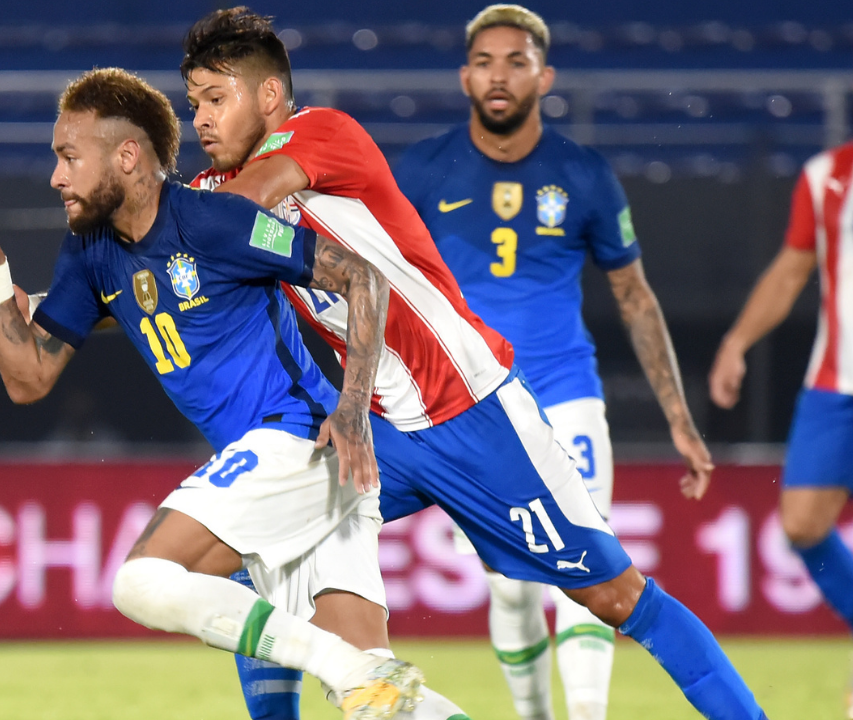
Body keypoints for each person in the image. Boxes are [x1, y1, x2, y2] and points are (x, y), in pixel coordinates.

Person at [177, 7, 765, 720]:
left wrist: (157, 220)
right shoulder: (214, 193)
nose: (200, 120)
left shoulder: (320, 132)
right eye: (193, 105)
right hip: (383, 431)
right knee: (249, 550)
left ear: (269, 97)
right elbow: (163, 275)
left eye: (216, 99)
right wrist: (54, 303)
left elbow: (228, 218)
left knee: (614, 598)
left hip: (476, 413)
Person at [0, 66, 434, 720]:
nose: (56, 176)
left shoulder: (214, 222)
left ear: (128, 156)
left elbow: (360, 276)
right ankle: (358, 673)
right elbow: (29, 379)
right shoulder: (90, 255)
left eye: (69, 157)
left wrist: (354, 406)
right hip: (278, 475)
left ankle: (342, 666)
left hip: (298, 442)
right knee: (378, 699)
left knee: (142, 581)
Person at [391, 6, 714, 720]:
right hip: (470, 405)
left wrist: (680, 420)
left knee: (589, 562)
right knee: (510, 585)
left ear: (546, 75)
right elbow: (379, 281)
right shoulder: (421, 168)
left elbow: (633, 296)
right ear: (464, 75)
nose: (498, 75)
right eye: (485, 61)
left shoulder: (585, 174)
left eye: (515, 60)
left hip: (566, 394)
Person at [709, 137, 853, 720]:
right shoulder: (827, 176)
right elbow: (794, 267)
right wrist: (737, 342)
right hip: (835, 382)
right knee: (801, 523)